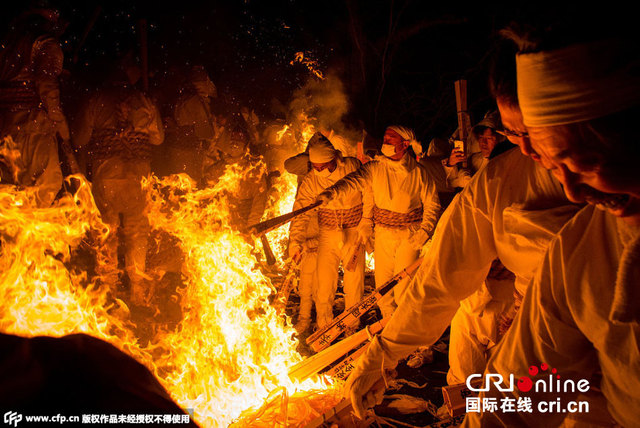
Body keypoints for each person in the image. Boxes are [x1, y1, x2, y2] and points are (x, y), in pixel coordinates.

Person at [342, 41, 582, 419]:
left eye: (539, 130)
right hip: (495, 310)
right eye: (516, 135)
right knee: (477, 394)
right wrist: (384, 351)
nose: (531, 149)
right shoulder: (503, 180)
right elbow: (441, 277)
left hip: (572, 372)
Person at [465, 25, 640, 427]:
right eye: (554, 165)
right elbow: (515, 395)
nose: (574, 193)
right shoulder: (581, 249)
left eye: (584, 165)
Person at [317, 126, 441, 319]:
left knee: (403, 288)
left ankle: (407, 328)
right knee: (383, 287)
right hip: (383, 234)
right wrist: (333, 192)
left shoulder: (419, 173)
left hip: (409, 235)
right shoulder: (376, 167)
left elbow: (433, 204)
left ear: (405, 144)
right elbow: (353, 180)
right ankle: (388, 326)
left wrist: (425, 231)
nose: (385, 143)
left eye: (391, 140)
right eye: (385, 138)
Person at [72, 55, 164, 306]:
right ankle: (137, 291)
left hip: (108, 176)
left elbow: (79, 138)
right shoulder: (143, 100)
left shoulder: (97, 99)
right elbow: (158, 139)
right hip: (137, 176)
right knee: (137, 233)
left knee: (108, 232)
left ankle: (110, 289)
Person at [289, 133, 370, 331]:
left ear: (334, 159)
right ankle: (324, 325)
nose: (319, 171)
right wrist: (295, 242)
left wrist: (367, 222)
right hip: (328, 233)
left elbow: (369, 191)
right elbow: (301, 212)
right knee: (324, 284)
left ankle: (352, 325)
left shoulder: (352, 167)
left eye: (323, 167)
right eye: (315, 168)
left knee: (354, 283)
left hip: (353, 230)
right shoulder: (311, 181)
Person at [0, 7, 66, 206]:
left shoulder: (6, 41)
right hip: (33, 126)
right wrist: (59, 120)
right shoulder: (43, 41)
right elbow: (47, 83)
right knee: (44, 189)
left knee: (9, 197)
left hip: (6, 128)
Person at [163, 66, 216, 185]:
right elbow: (206, 132)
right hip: (187, 151)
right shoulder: (195, 101)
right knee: (186, 188)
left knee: (180, 188)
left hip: (179, 150)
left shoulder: (182, 99)